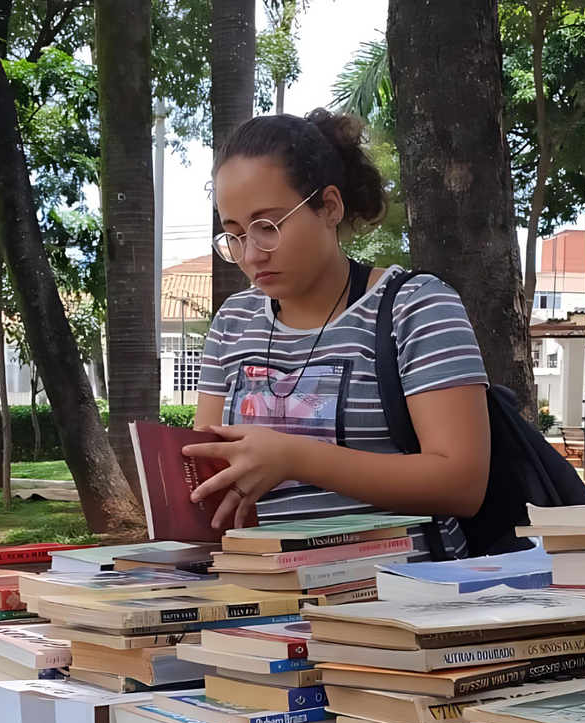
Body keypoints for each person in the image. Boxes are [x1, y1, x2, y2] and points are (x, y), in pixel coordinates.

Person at [185, 109, 492, 556]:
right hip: (259, 599)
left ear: (329, 206)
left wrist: (295, 458)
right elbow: (211, 474)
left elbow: (462, 483)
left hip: (400, 598)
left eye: (267, 227)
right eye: (233, 235)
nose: (251, 254)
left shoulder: (415, 307)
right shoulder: (233, 322)